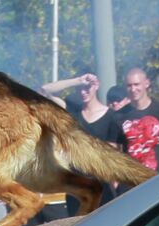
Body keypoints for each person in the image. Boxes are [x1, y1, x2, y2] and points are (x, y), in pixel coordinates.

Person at [41, 72, 120, 216]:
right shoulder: (73, 110)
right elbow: (46, 90)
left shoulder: (111, 117)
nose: (83, 92)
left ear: (96, 86)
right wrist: (77, 81)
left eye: (87, 88)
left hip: (100, 184)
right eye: (80, 89)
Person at [116, 67, 159, 176]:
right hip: (132, 181)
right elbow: (116, 152)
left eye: (136, 84)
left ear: (146, 83)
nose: (133, 89)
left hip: (158, 179)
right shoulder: (119, 116)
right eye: (129, 85)